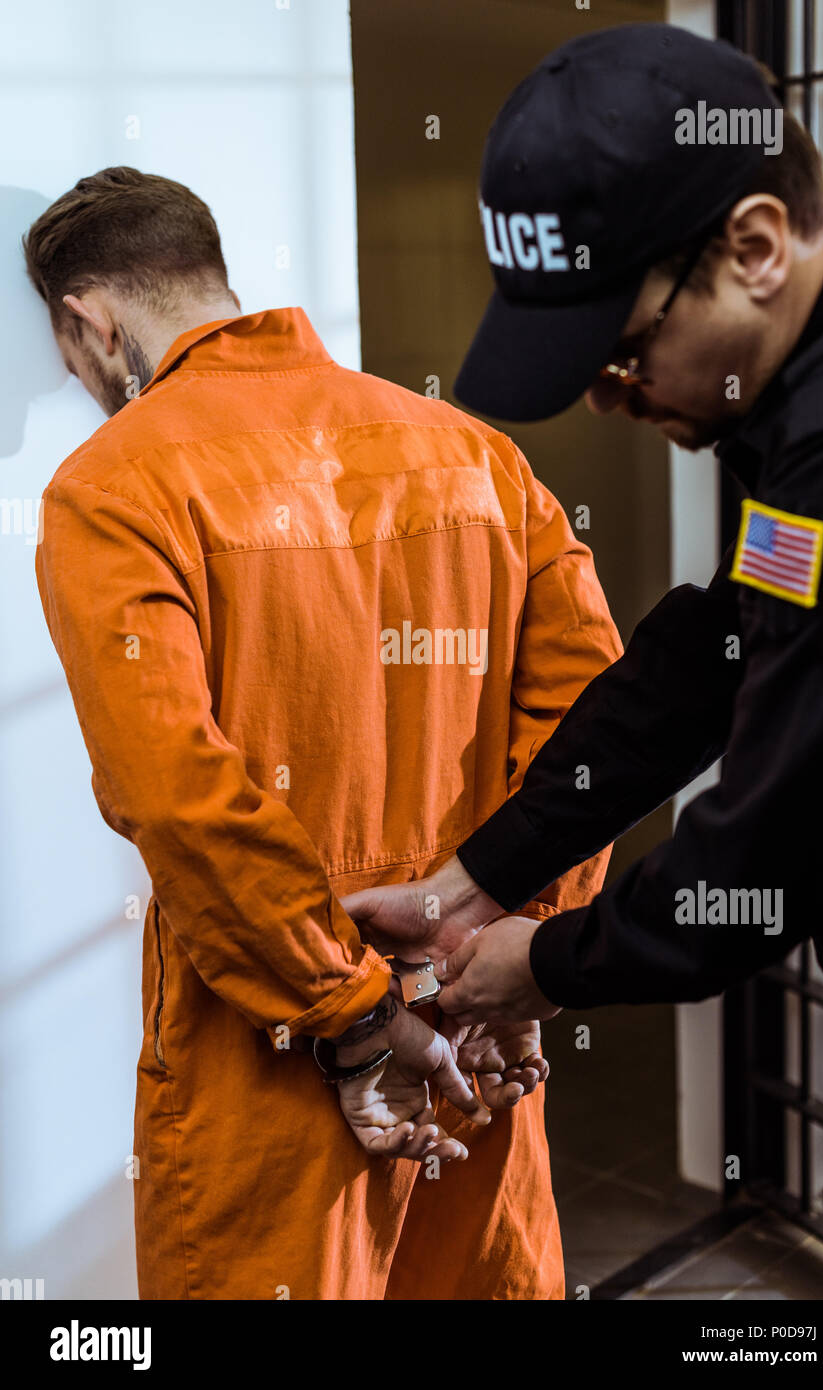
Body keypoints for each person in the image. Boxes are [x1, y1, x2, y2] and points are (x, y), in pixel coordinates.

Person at [27, 166, 621, 1299]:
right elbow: (595, 717)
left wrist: (352, 1015)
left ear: (88, 320)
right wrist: (519, 945)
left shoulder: (111, 487)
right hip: (472, 1026)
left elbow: (177, 792)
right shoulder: (475, 453)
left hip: (274, 1055)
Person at [340, 23, 823, 1058]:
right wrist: (475, 880)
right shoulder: (814, 378)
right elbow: (717, 652)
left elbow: (773, 846)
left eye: (623, 354)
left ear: (755, 247)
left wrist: (546, 966)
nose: (606, 400)